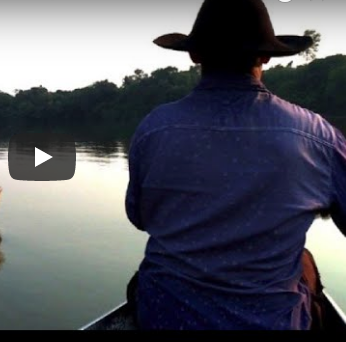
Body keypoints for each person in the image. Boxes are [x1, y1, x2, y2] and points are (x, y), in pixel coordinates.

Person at [125, 0, 346, 330]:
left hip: (165, 317)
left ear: (195, 55)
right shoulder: (316, 136)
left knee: (145, 280)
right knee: (304, 261)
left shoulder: (154, 129)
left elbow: (139, 217)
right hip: (272, 324)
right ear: (266, 56)